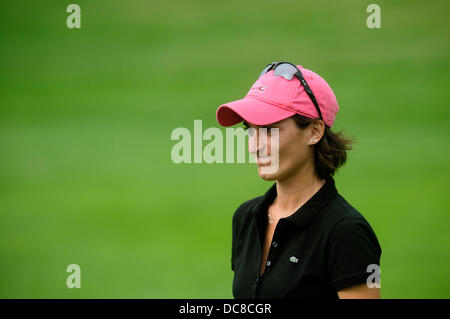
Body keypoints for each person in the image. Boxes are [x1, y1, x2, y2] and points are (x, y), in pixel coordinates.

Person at [215, 62, 382, 299]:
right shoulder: (246, 217)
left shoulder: (346, 232)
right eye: (250, 131)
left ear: (314, 131)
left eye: (270, 130)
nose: (255, 146)